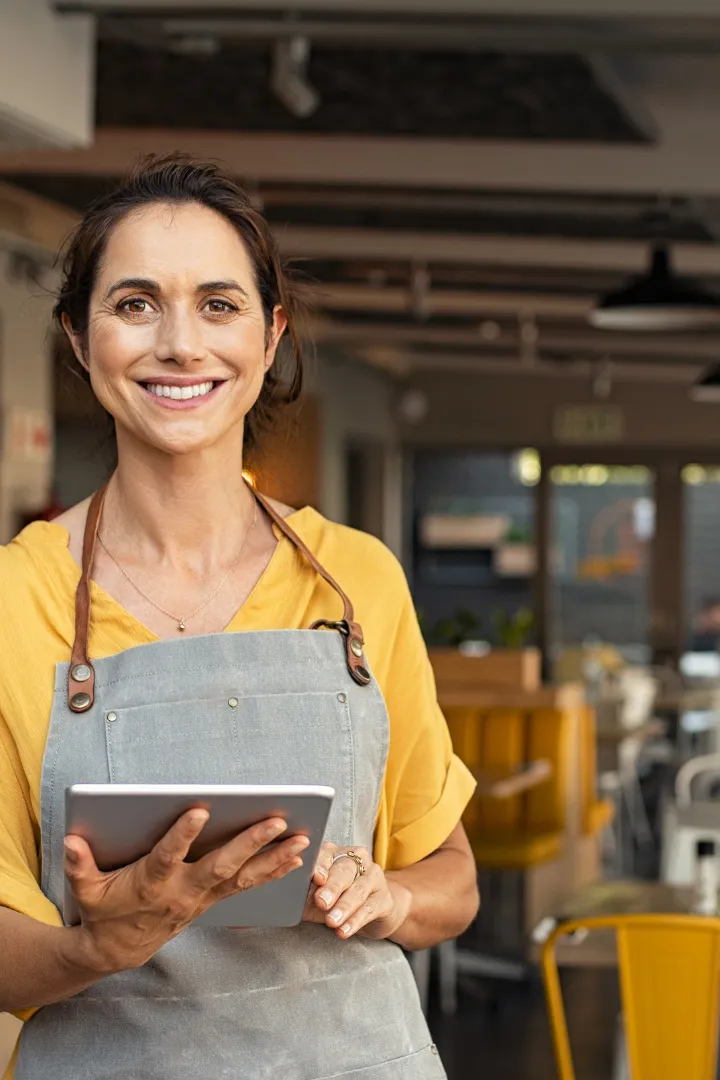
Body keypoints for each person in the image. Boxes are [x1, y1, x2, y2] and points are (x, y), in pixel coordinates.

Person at [0, 155, 479, 1080]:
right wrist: (103, 944)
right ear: (76, 336)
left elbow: (450, 880)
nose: (181, 345)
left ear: (270, 337)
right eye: (135, 304)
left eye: (218, 305)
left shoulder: (356, 583)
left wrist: (384, 898)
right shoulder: (17, 601)